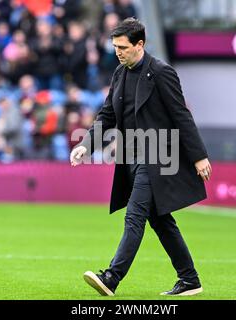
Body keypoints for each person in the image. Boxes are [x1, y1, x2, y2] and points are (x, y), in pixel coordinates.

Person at [69, 18, 211, 296]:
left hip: (158, 156)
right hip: (131, 157)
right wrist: (86, 145)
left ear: (140, 44)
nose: (118, 52)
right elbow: (107, 115)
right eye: (115, 47)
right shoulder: (120, 74)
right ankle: (190, 279)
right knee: (160, 220)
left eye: (123, 47)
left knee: (134, 216)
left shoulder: (161, 72)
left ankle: (111, 277)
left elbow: (181, 115)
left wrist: (199, 156)